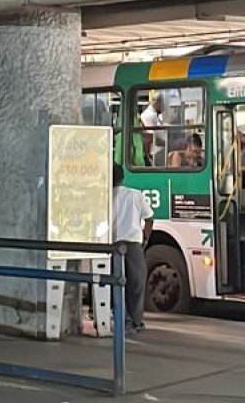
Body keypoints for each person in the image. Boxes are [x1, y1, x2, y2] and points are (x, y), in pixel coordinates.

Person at [112, 166, 153, 335]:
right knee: (136, 283)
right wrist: (145, 237)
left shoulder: (105, 196)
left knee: (116, 282)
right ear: (123, 177)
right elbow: (149, 218)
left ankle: (120, 319)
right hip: (133, 244)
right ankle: (135, 321)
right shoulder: (136, 195)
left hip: (113, 245)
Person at [140, 93, 166, 165]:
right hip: (154, 153)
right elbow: (150, 136)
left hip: (160, 150)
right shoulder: (148, 115)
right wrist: (167, 143)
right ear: (157, 102)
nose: (163, 106)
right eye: (162, 103)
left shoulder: (157, 115)